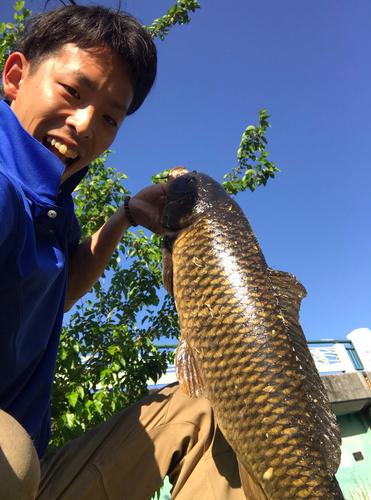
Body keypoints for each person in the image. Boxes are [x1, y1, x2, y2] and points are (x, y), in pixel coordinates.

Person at [0, 3, 246, 499]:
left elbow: (56, 291)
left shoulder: (51, 204)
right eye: (72, 91)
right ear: (14, 76)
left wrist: (125, 217)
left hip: (36, 480)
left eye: (111, 117)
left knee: (209, 405)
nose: (86, 124)